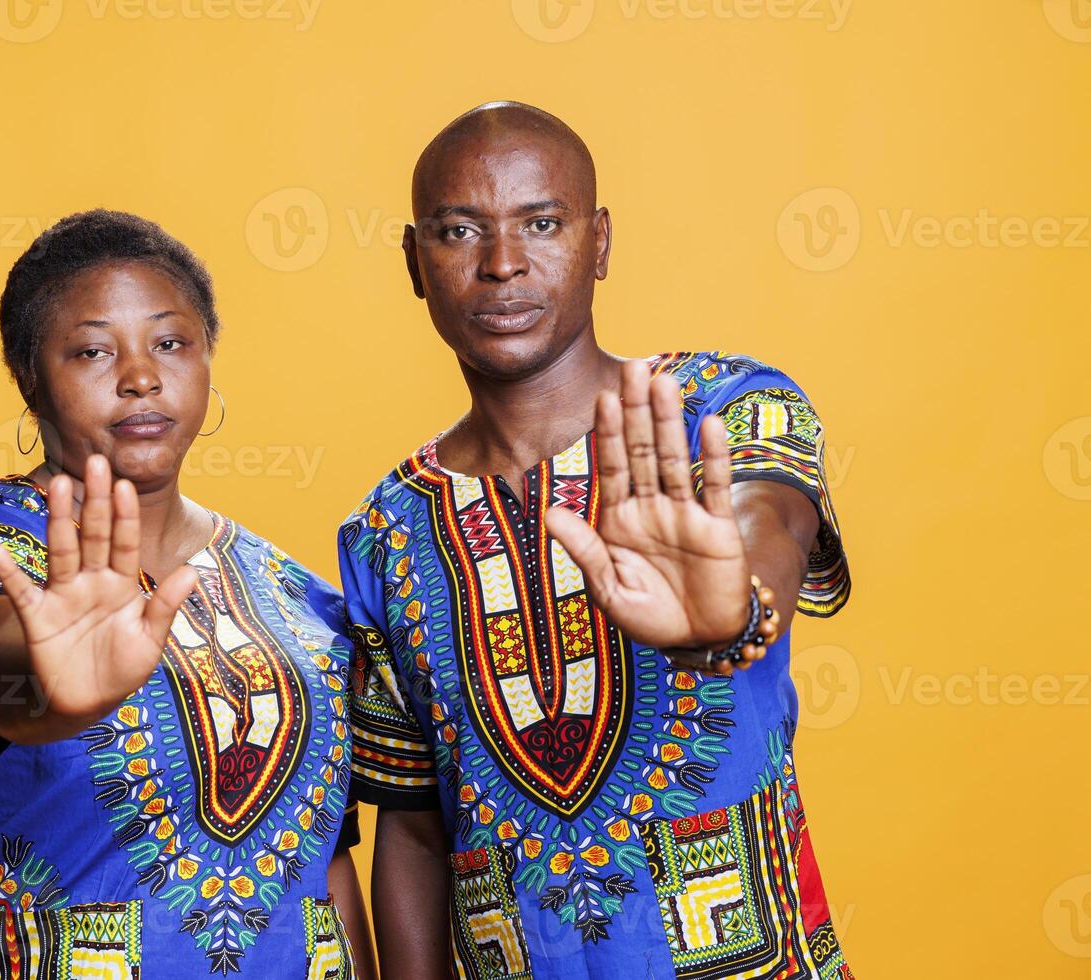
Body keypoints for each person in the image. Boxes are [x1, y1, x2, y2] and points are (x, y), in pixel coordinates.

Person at [341, 103, 853, 979]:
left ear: (601, 242)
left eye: (543, 223)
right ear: (414, 262)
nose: (503, 266)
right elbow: (414, 824)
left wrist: (731, 611)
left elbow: (769, 525)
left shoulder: (727, 409)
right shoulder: (385, 531)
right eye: (460, 231)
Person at [0, 210, 374, 979]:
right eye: (92, 350)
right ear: (28, 376)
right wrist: (50, 690)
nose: (141, 376)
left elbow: (329, 866)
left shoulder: (296, 595)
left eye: (171, 343)